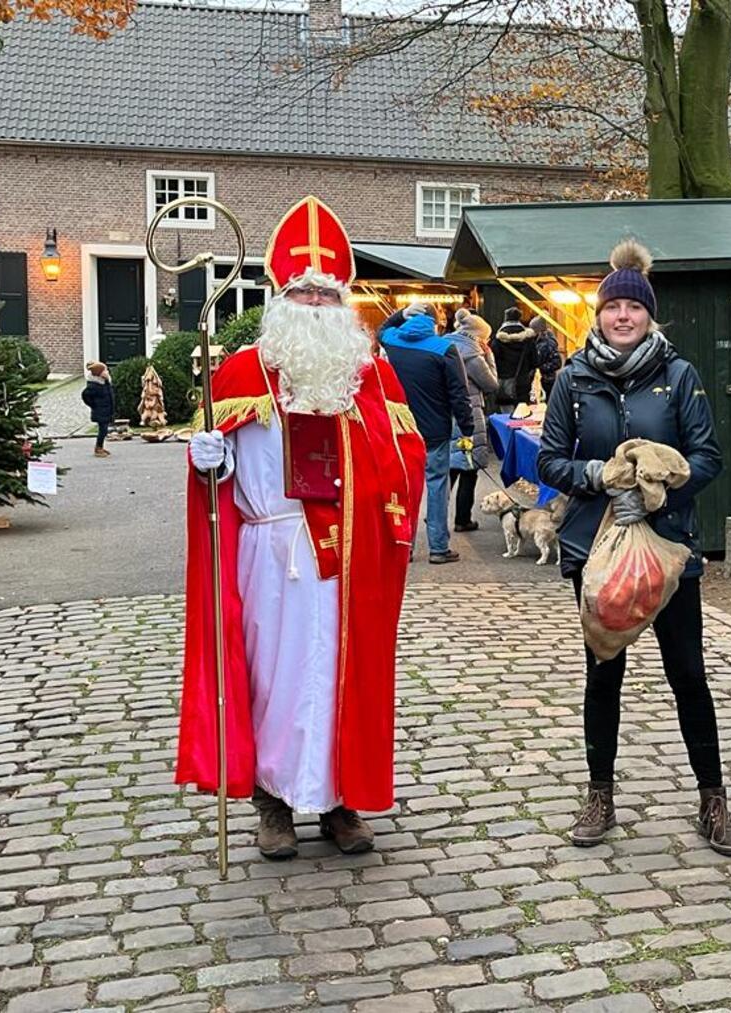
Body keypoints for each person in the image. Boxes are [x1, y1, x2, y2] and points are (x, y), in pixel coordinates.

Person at [180, 196, 427, 861]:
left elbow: (408, 455)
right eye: (304, 291)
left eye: (327, 292)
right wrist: (209, 459)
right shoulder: (242, 372)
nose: (317, 302)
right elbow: (220, 473)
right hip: (269, 552)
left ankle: (342, 802)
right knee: (274, 677)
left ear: (343, 301)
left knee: (340, 674)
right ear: (281, 298)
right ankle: (274, 803)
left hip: (348, 556)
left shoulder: (369, 376)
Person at [537, 239, 731, 857]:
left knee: (688, 675)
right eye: (612, 307)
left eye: (633, 306)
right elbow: (550, 460)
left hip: (669, 548)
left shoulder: (678, 375)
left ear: (650, 314)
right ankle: (599, 795)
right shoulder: (572, 379)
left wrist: (661, 488)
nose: (622, 316)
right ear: (598, 314)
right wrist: (597, 476)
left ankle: (713, 800)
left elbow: (708, 457)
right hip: (595, 550)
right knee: (604, 675)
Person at [380, 303, 475, 563]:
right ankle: (438, 547)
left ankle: (405, 545)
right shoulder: (444, 348)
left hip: (401, 429)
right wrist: (467, 428)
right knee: (436, 486)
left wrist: (401, 313)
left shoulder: (393, 341)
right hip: (435, 430)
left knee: (405, 489)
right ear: (435, 323)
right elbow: (459, 393)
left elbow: (382, 329)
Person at [446, 308, 497, 531]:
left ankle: (436, 514)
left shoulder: (443, 345)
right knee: (469, 467)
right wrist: (488, 355)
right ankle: (462, 519)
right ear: (479, 335)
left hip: (445, 413)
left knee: (447, 467)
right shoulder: (474, 355)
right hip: (469, 412)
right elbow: (492, 384)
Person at [491, 307, 537, 412]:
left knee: (506, 415)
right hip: (523, 382)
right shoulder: (529, 339)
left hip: (504, 381)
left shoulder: (498, 340)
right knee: (522, 414)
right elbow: (535, 362)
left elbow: (493, 361)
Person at [81, 361, 115, 458]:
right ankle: (98, 448)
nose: (107, 372)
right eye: (105, 371)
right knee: (103, 430)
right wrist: (94, 405)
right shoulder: (94, 386)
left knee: (104, 430)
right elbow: (85, 396)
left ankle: (100, 446)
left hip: (107, 410)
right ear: (99, 373)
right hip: (100, 411)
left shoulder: (105, 382)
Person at [529, 316, 562, 402]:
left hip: (547, 380)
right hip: (544, 379)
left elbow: (557, 362)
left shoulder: (547, 342)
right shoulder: (539, 341)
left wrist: (540, 368)